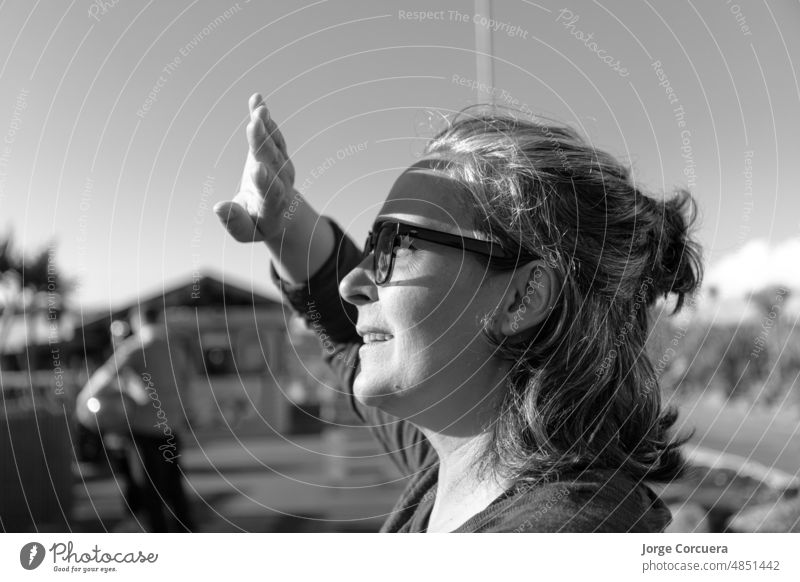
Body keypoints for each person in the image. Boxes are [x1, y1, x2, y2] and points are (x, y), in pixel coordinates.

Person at [214, 93, 702, 532]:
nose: (352, 282)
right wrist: (284, 225)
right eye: (369, 246)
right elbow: (353, 341)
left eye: (395, 245)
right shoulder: (465, 457)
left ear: (522, 297)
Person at [77, 306, 195, 532]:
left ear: (138, 321)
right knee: (175, 487)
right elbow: (188, 383)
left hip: (145, 431)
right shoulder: (175, 348)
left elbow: (102, 379)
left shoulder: (136, 347)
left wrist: (84, 403)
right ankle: (187, 533)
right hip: (171, 428)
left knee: (150, 491)